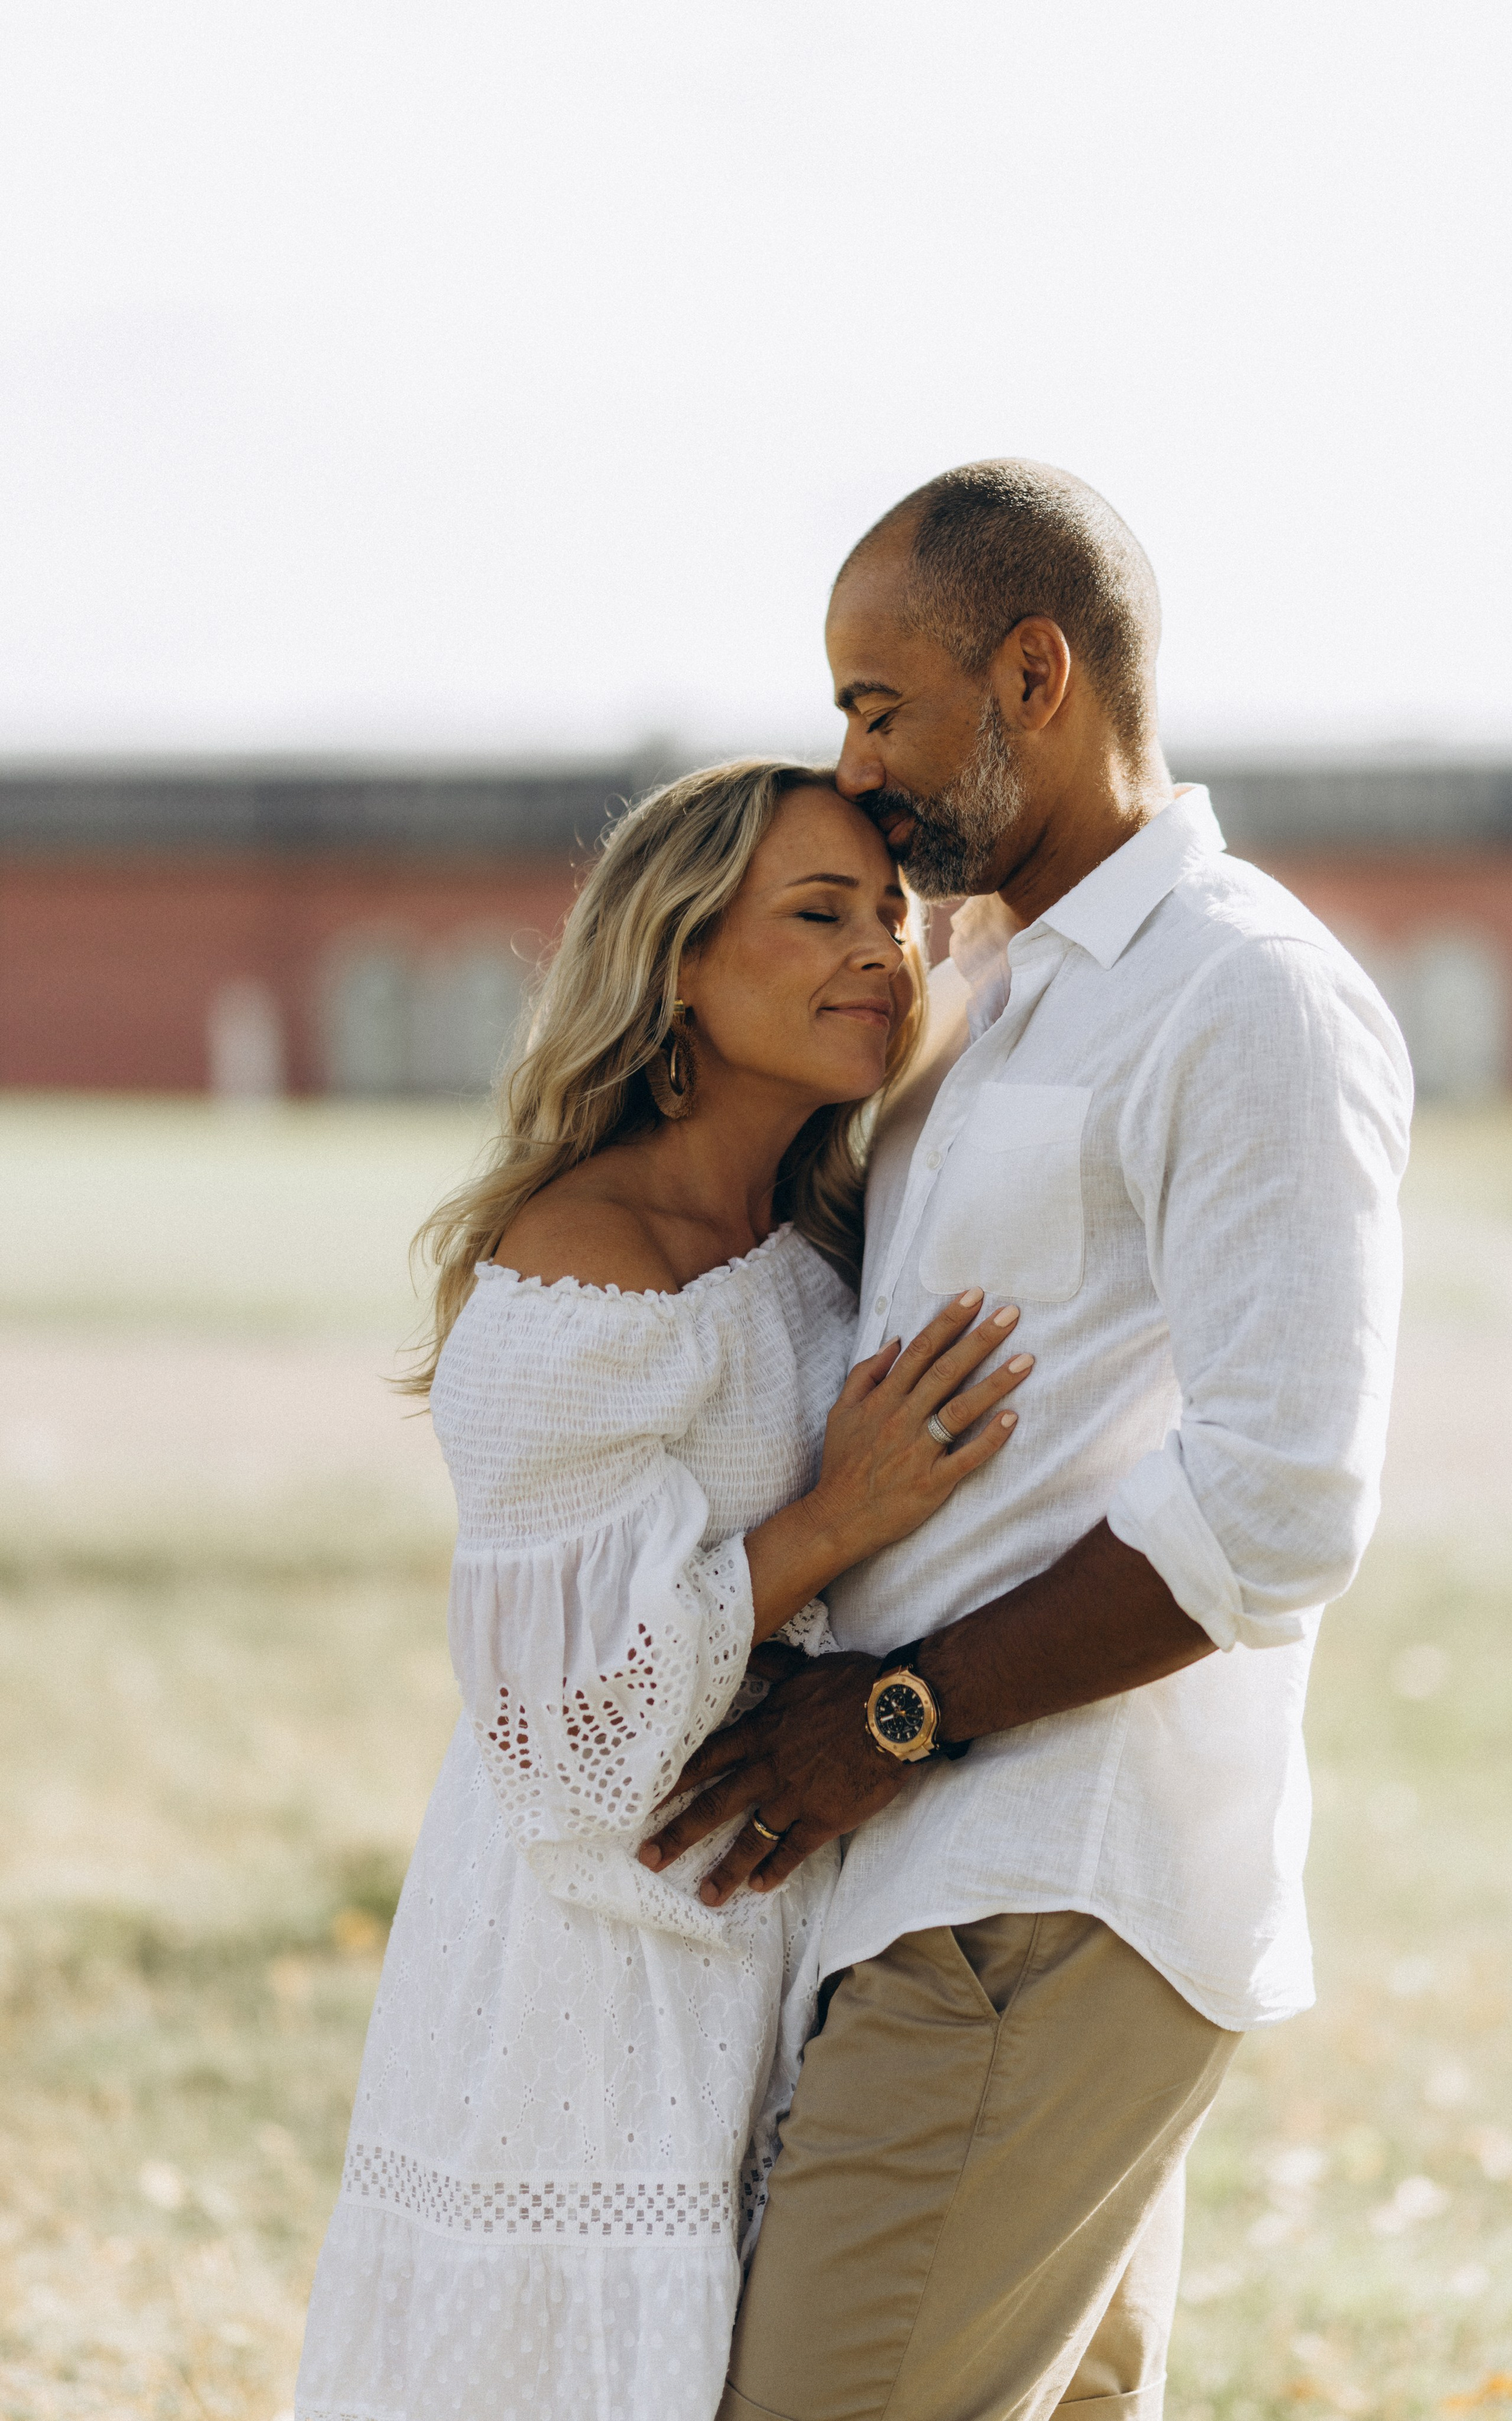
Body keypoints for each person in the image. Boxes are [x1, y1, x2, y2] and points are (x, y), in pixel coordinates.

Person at [642, 463, 1416, 2421]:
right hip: (931, 1880)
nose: (851, 760)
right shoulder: (975, 992)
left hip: (1043, 1886)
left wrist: (892, 1717)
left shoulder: (1245, 995)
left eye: (877, 706)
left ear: (1036, 674)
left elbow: (1280, 1501)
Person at [294, 758, 1035, 2421]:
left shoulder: (808, 1221)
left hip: (745, 1911)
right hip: (583, 1972)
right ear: (683, 963)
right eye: (820, 915)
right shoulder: (580, 1268)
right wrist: (838, 1519)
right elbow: (553, 1736)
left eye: (892, 916)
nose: (882, 955)